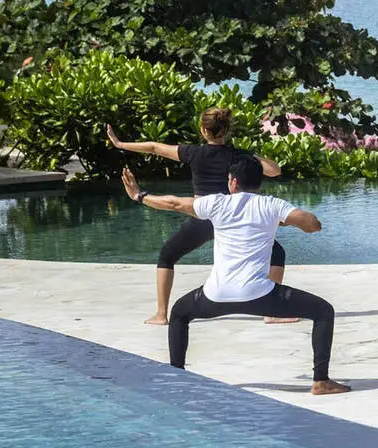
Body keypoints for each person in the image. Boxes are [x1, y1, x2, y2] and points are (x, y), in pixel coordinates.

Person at [119, 158, 349, 395]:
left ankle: (178, 375)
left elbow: (175, 204)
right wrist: (290, 221)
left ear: (234, 182)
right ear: (258, 183)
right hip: (260, 295)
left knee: (179, 313)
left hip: (215, 295)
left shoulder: (217, 204)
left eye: (228, 179)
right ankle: (321, 381)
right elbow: (312, 224)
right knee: (323, 312)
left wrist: (139, 195)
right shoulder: (271, 205)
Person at [108, 109, 291, 326]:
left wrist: (121, 144)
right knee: (276, 253)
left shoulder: (193, 153)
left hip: (202, 218)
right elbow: (274, 170)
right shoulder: (236, 155)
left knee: (167, 256)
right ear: (227, 130)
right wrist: (247, 154)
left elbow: (155, 147)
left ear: (204, 130)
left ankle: (161, 314)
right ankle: (271, 311)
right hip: (230, 221)